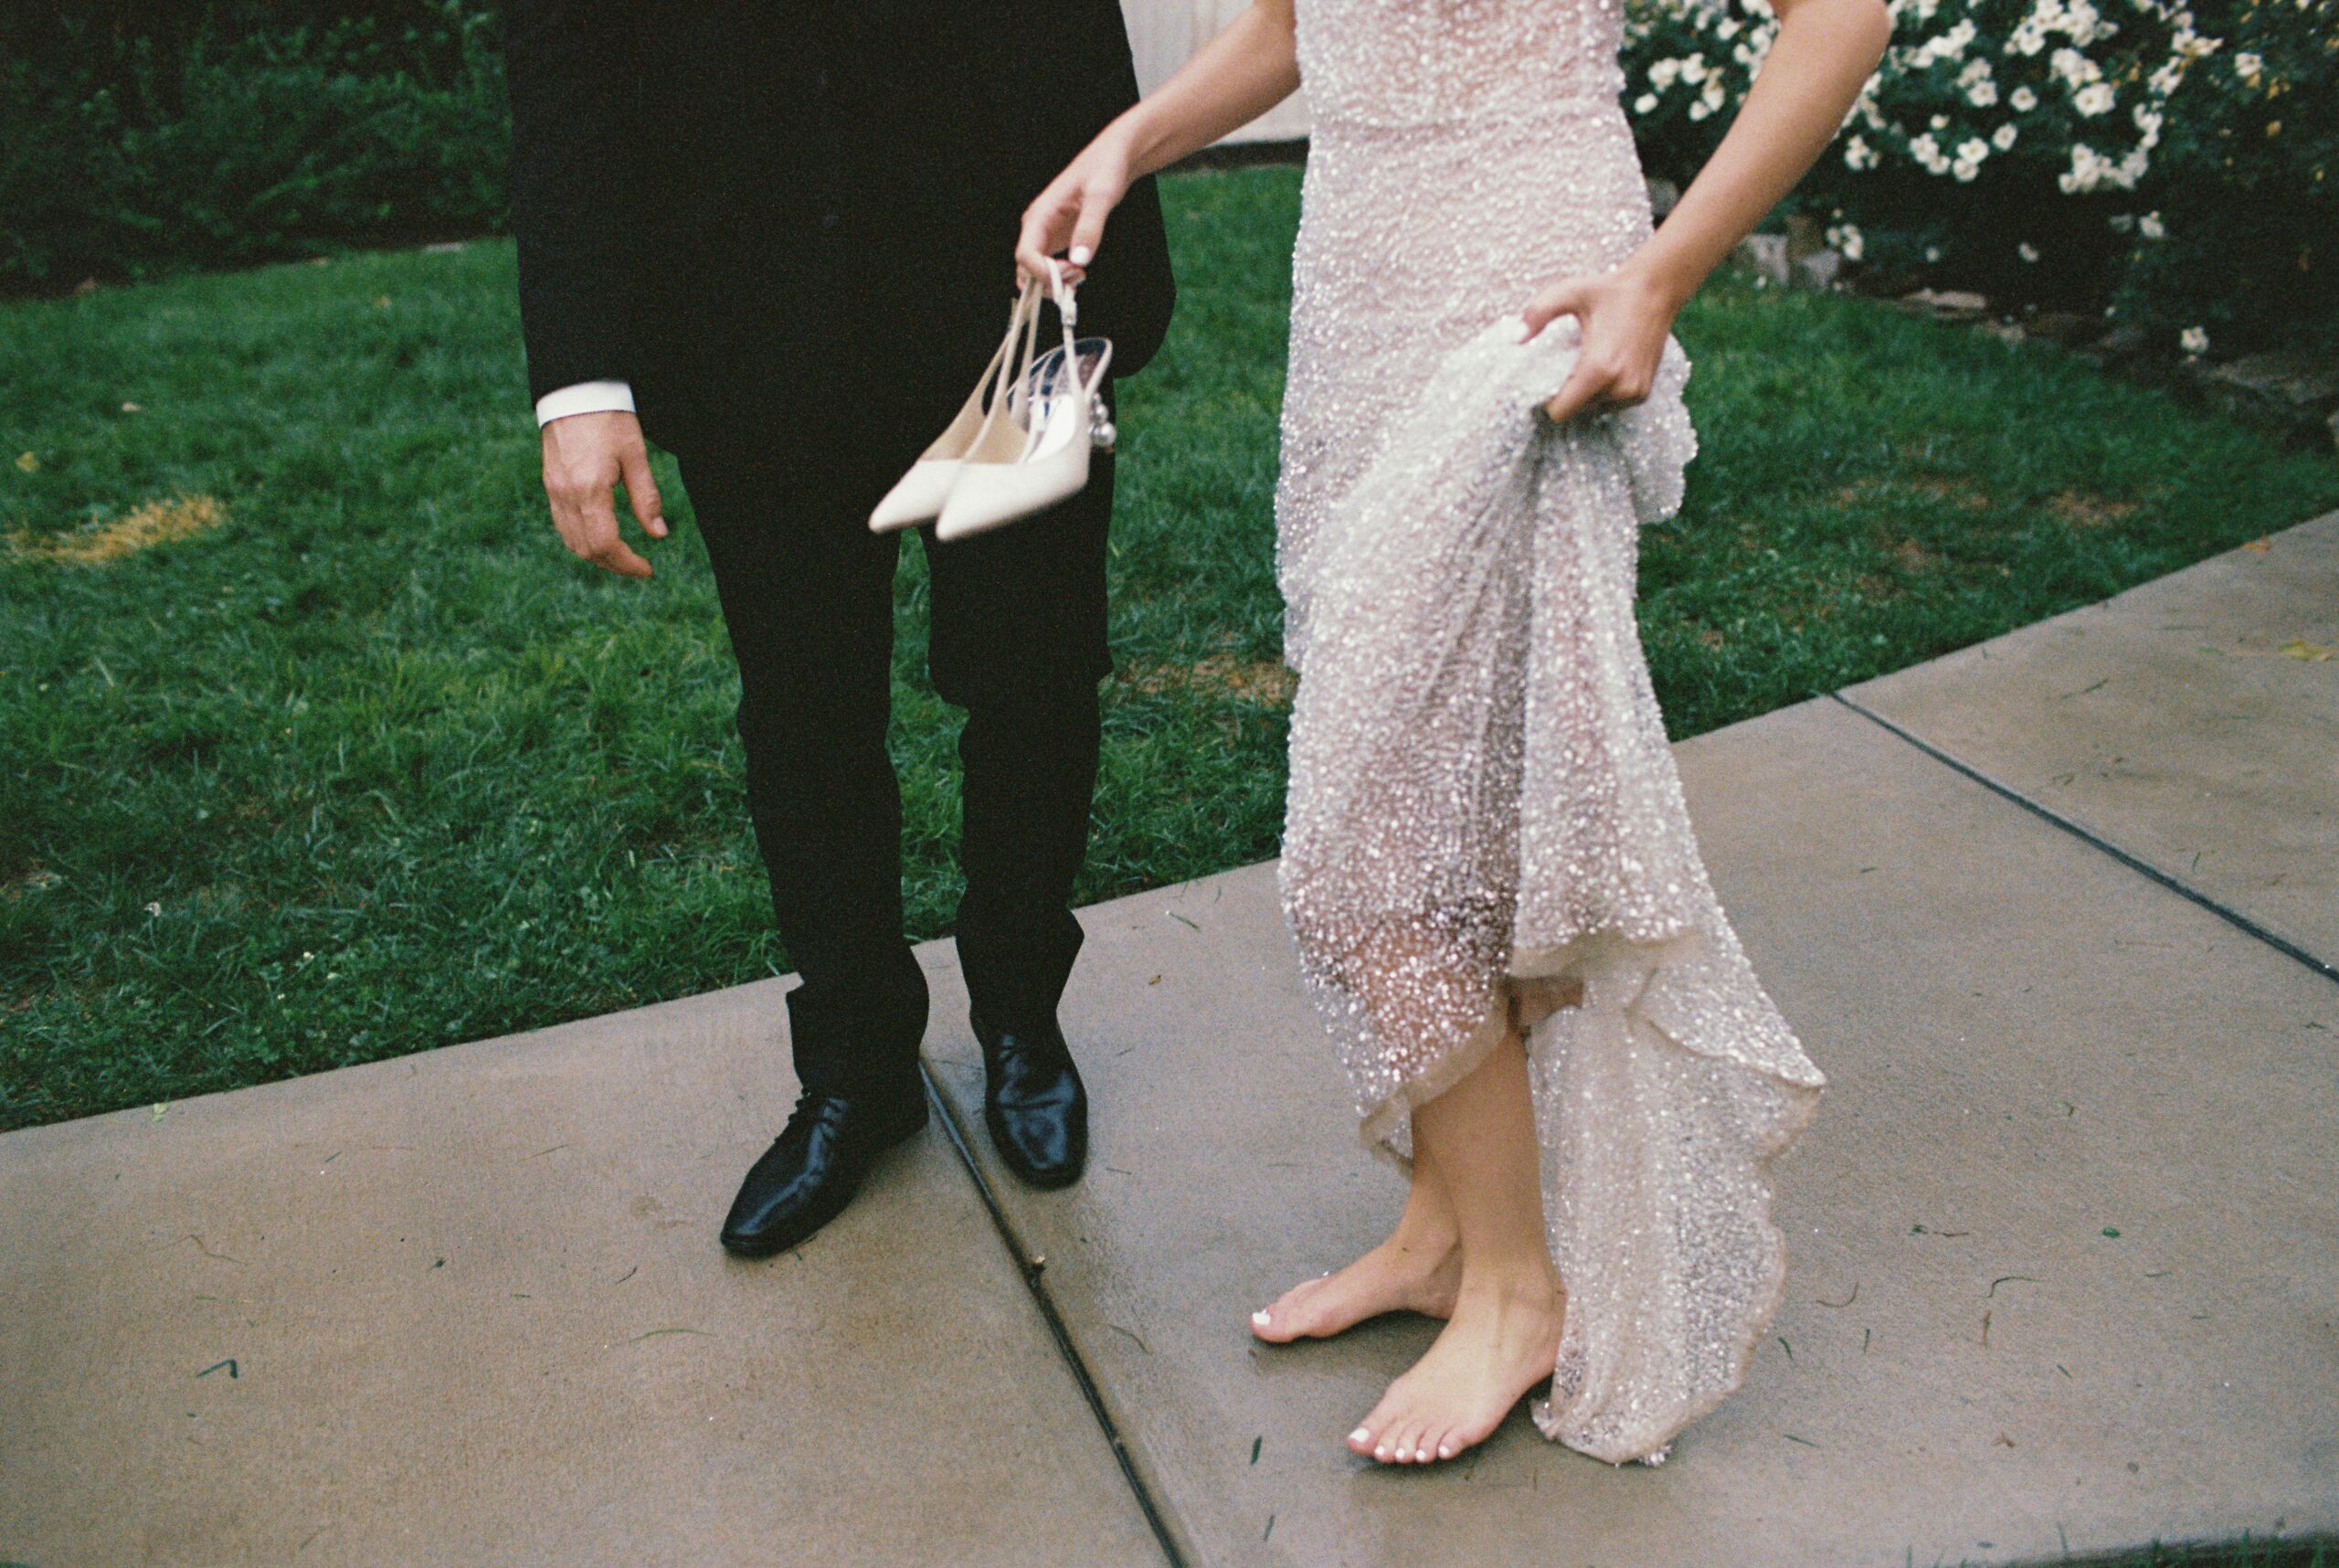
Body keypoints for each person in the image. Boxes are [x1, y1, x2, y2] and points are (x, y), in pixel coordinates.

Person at [1016, 0, 1882, 1466]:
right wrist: (1127, 142)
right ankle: (1443, 1232)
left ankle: (1519, 1293)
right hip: (1355, 298)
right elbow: (1300, 26)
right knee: (1454, 804)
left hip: (1528, 289)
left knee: (1368, 852)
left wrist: (1662, 275)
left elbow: (1844, 13)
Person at [503, 1, 1175, 1255]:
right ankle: (858, 1072)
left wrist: (1106, 252)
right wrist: (582, 376)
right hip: (744, 310)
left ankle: (1022, 1018)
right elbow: (566, 77)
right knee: (806, 710)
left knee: (1034, 676)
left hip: (1016, 298)